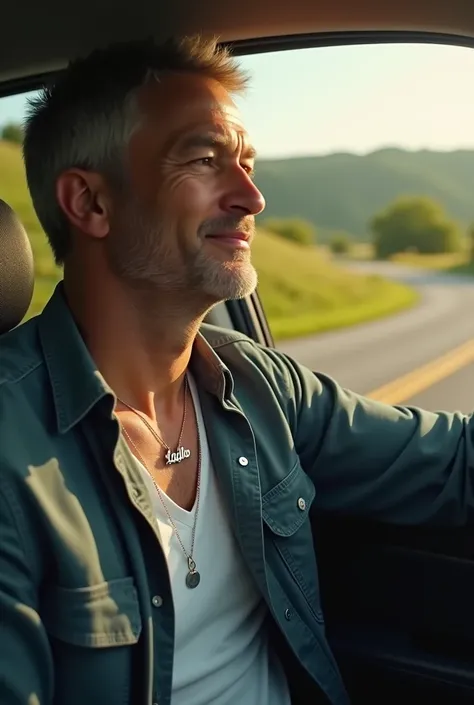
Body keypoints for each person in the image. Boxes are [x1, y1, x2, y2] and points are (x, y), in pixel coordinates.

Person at [0, 35, 473, 705]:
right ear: (91, 204)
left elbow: (454, 460)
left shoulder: (259, 385)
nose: (252, 197)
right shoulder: (10, 453)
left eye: (246, 163)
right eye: (204, 159)